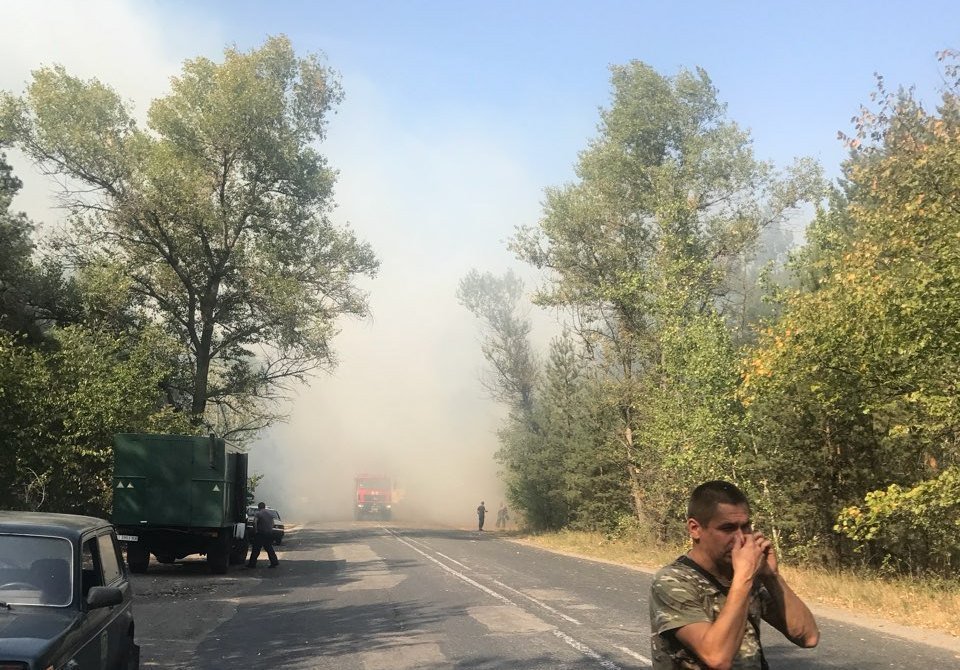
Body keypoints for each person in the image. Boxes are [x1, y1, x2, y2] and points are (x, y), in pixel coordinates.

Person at [649, 480, 819, 669]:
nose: (740, 537)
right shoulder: (673, 580)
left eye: (745, 526)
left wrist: (772, 576)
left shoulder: (745, 575)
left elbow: (808, 637)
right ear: (695, 529)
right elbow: (717, 657)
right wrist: (745, 576)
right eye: (727, 528)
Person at [246, 501, 279, 568]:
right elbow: (273, 523)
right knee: (269, 548)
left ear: (259, 507)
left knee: (256, 549)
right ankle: (274, 562)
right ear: (264, 506)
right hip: (269, 533)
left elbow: (255, 522)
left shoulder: (258, 513)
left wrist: (255, 530)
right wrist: (270, 529)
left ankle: (252, 564)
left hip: (260, 533)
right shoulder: (269, 513)